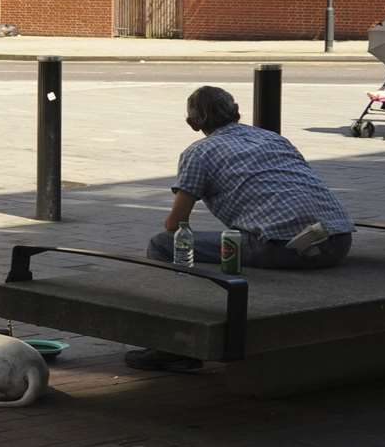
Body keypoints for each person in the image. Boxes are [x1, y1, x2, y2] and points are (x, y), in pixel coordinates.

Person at [125, 86, 353, 372]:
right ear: (237, 113)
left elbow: (175, 225)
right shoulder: (273, 138)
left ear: (192, 123)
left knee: (162, 245)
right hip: (338, 239)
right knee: (236, 240)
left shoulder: (199, 153)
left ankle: (176, 345)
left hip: (284, 247)